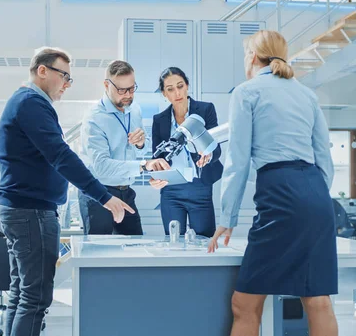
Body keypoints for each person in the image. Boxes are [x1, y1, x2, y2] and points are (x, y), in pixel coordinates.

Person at [0, 47, 135, 336]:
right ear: (43, 71)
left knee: (22, 294)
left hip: (21, 209)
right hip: (30, 212)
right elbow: (61, 155)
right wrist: (105, 197)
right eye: (65, 76)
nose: (68, 84)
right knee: (35, 298)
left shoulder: (25, 102)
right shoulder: (31, 103)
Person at [207, 30, 338, 336]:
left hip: (281, 192)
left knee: (245, 304)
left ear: (252, 56)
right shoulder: (307, 94)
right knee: (317, 299)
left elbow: (237, 162)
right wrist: (312, 196)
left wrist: (227, 218)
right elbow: (324, 159)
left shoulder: (246, 91)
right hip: (316, 192)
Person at [79, 60, 170, 235]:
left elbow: (140, 150)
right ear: (106, 85)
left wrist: (141, 143)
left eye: (132, 88)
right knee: (98, 255)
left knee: (135, 249)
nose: (128, 95)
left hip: (126, 191)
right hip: (98, 193)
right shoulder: (94, 118)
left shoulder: (134, 109)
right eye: (122, 90)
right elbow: (102, 166)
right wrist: (143, 165)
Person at [149, 67, 223, 238]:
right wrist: (155, 176)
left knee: (205, 242)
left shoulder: (205, 110)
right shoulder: (159, 120)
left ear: (187, 86)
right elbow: (157, 159)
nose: (177, 93)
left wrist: (209, 154)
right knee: (173, 242)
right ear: (164, 93)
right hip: (171, 191)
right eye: (170, 89)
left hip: (200, 188)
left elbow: (216, 148)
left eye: (180, 86)